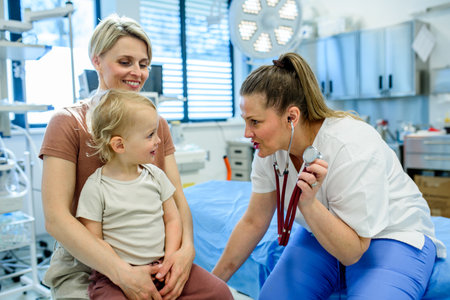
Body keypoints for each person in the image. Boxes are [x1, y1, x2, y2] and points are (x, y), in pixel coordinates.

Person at [212, 52, 446, 299]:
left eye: (255, 122)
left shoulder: (350, 145)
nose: (248, 133)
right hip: (321, 234)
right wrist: (211, 284)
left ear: (291, 117)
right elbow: (254, 221)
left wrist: (309, 204)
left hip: (391, 234)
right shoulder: (270, 151)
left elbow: (352, 251)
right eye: (245, 121)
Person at [39, 14, 232, 300]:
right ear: (97, 61)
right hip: (86, 262)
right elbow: (56, 218)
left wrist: (186, 250)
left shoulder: (157, 125)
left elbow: (177, 199)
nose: (137, 73)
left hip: (153, 257)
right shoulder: (68, 123)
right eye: (125, 62)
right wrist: (121, 273)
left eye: (143, 64)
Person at [76, 89, 223, 299]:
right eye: (150, 135)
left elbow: (172, 219)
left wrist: (171, 258)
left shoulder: (156, 176)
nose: (158, 141)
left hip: (161, 264)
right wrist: (124, 272)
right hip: (117, 276)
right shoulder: (96, 187)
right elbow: (93, 240)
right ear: (119, 144)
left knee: (219, 292)